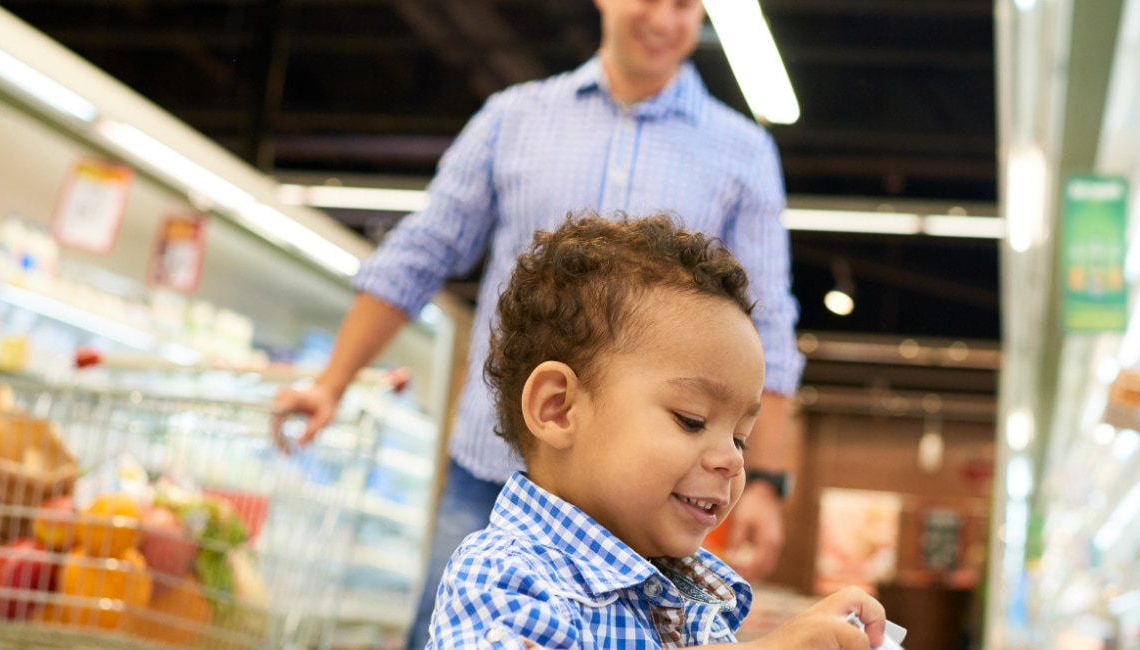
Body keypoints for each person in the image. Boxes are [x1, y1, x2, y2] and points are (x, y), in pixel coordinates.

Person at [271, 0, 802, 646]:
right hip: (490, 470)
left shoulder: (743, 152)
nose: (667, 17)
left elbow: (768, 323)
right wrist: (331, 381)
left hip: (641, 508)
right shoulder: (513, 119)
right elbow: (422, 252)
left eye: (688, 4)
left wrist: (767, 480)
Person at [428, 214, 881, 650]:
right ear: (558, 408)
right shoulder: (504, 573)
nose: (733, 460)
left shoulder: (690, 598)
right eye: (692, 420)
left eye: (740, 437)